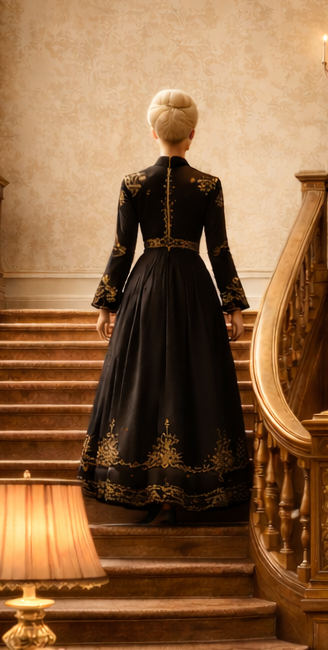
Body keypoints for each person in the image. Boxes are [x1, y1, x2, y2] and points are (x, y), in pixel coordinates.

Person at [78, 89, 252, 524]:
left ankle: (143, 487)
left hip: (146, 288)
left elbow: (122, 248)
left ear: (152, 131)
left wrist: (107, 304)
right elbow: (220, 250)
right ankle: (190, 485)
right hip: (194, 287)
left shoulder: (134, 183)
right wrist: (233, 306)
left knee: (146, 378)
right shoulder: (208, 185)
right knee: (193, 380)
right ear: (192, 134)